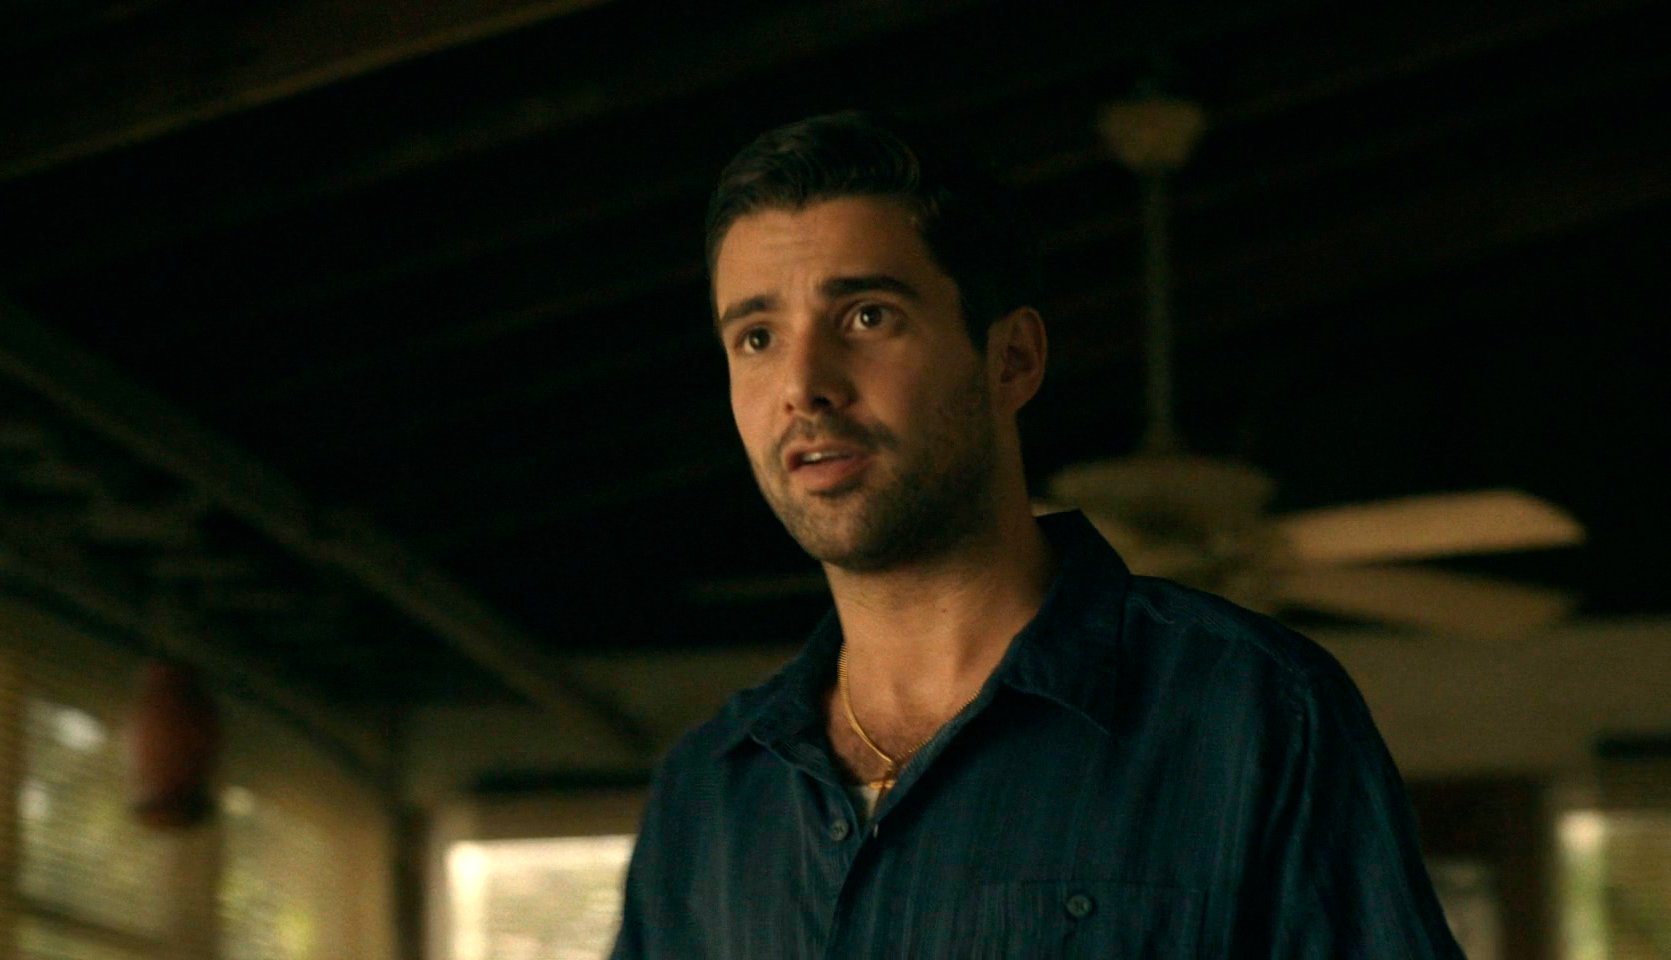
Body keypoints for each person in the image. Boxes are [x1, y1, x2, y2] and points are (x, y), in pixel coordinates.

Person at [610, 111, 1465, 958]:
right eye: (757, 338)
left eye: (868, 317)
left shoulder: (1257, 717)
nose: (803, 385)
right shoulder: (707, 793)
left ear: (1012, 358)